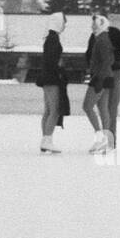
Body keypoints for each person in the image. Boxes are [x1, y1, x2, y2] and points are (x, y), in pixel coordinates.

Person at [85, 21, 120, 145]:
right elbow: (89, 54)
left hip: (113, 73)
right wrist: (93, 71)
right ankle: (106, 140)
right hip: (100, 74)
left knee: (111, 106)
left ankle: (110, 140)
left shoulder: (113, 32)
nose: (93, 25)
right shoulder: (95, 35)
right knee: (103, 106)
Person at [38, 13, 69, 153]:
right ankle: (47, 140)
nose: (65, 25)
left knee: (48, 111)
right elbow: (51, 61)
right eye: (64, 22)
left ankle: (45, 139)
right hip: (52, 78)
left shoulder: (49, 37)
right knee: (55, 110)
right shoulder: (53, 39)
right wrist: (60, 69)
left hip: (47, 78)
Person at [84, 14, 115, 153]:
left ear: (100, 25)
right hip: (105, 77)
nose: (92, 27)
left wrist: (99, 80)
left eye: (94, 25)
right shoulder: (103, 38)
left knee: (87, 106)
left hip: (100, 78)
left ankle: (100, 139)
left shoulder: (102, 40)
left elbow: (106, 61)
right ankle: (106, 141)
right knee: (103, 109)